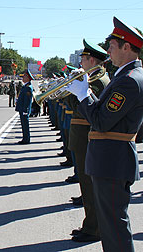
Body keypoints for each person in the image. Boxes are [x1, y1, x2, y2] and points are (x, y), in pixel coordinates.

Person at [65, 17, 143, 252]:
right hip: (110, 158)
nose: (107, 51)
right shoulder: (125, 76)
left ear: (126, 47)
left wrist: (83, 95)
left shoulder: (129, 81)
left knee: (114, 226)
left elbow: (100, 120)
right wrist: (86, 93)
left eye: (111, 46)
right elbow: (104, 112)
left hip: (111, 159)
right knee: (111, 225)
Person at [67, 39, 110, 242]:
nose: (81, 62)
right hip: (83, 137)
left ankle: (94, 228)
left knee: (90, 185)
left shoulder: (98, 82)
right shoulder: (91, 79)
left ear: (91, 60)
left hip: (88, 138)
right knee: (86, 185)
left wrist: (74, 91)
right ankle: (90, 224)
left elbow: (83, 109)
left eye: (83, 59)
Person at [15, 70, 34, 144]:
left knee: (25, 125)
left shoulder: (28, 87)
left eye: (24, 76)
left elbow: (27, 100)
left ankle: (26, 139)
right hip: (22, 108)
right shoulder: (25, 86)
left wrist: (25, 110)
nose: (23, 78)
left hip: (24, 109)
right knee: (23, 125)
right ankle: (25, 138)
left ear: (28, 78)